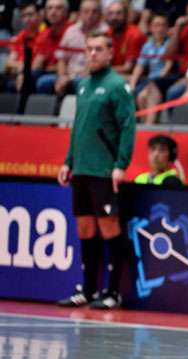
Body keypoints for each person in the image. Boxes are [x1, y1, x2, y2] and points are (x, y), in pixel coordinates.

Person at [56, 32, 136, 310]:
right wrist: (68, 161)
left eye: (98, 49)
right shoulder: (83, 85)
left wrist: (120, 165)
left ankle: (113, 291)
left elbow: (128, 127)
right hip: (81, 168)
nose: (92, 54)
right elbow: (78, 126)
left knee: (109, 227)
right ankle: (88, 290)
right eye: (89, 49)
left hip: (104, 169)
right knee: (85, 228)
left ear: (110, 53)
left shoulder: (116, 86)